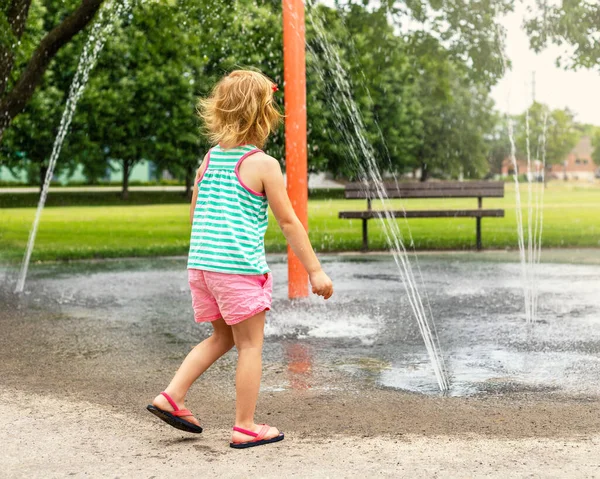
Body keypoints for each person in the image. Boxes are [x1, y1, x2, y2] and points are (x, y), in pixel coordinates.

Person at [147, 69, 333, 449]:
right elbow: (288, 221)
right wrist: (314, 270)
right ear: (263, 115)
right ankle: (245, 425)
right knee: (250, 345)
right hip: (237, 270)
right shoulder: (263, 164)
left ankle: (172, 395)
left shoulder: (210, 159)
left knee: (221, 337)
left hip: (202, 266)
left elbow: (195, 212)